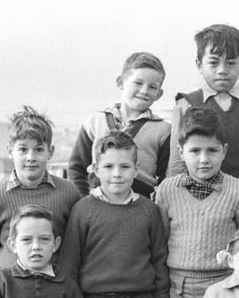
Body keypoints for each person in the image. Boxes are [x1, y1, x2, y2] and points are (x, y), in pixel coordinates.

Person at [56, 131, 169, 298]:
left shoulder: (148, 211)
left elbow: (159, 262)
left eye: (125, 166)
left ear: (136, 168)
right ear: (96, 168)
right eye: (108, 166)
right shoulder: (84, 210)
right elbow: (68, 267)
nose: (117, 173)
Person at [154, 106, 239, 298]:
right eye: (194, 151)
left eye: (212, 151)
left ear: (224, 150)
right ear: (180, 152)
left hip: (224, 284)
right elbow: (161, 242)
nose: (204, 159)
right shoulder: (167, 191)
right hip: (181, 288)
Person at [0, 105, 80, 271]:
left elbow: (76, 243)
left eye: (39, 149)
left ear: (50, 152)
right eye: (23, 149)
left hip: (58, 288)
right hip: (12, 288)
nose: (31, 157)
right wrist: (9, 275)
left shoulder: (69, 193)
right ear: (10, 151)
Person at [68, 51, 171, 195]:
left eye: (152, 87)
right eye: (138, 83)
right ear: (120, 83)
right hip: (96, 202)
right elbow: (76, 168)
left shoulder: (163, 130)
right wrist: (82, 201)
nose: (144, 91)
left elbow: (166, 178)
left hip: (139, 205)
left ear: (159, 94)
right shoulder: (95, 122)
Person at [168, 23, 239, 184]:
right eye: (213, 63)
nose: (222, 70)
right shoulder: (186, 104)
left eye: (230, 63)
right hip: (195, 193)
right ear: (199, 65)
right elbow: (176, 161)